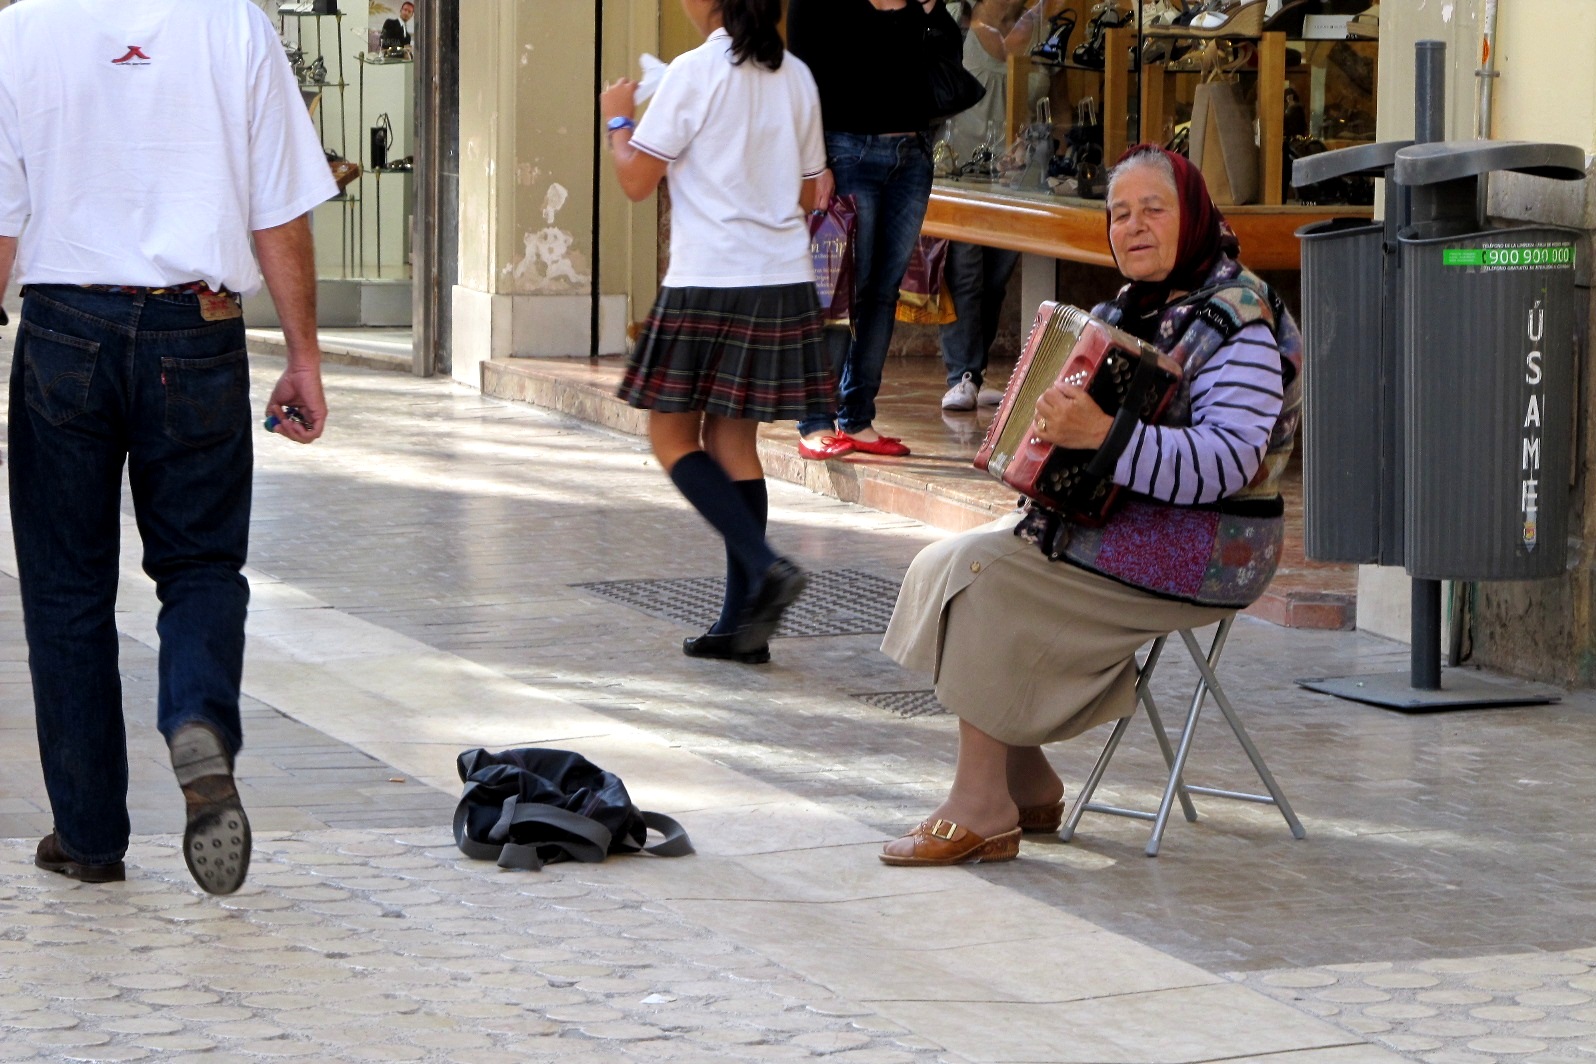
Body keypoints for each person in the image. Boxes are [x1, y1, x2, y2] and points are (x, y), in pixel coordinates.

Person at [877, 144, 1302, 865]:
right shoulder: (1126, 310)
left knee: (988, 577)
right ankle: (1027, 777)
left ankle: (982, 805)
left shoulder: (1241, 320)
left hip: (1215, 546)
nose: (1132, 227)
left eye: (1153, 210)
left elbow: (1229, 463)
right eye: (1119, 214)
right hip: (1138, 521)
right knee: (950, 560)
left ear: (1192, 214)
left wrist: (1106, 435)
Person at [0, 0, 337, 893]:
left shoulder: (21, 30)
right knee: (200, 566)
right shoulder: (237, 26)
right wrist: (304, 356)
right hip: (200, 324)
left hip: (66, 324)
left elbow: (1, 216)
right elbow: (280, 212)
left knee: (67, 589)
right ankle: (197, 720)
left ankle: (89, 836)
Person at [600, 0, 830, 664]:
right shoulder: (797, 76)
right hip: (781, 280)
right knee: (733, 443)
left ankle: (765, 565)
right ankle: (740, 630)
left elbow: (637, 181)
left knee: (670, 436)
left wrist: (619, 118)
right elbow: (816, 192)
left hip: (709, 278)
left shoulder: (692, 72)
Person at [787, 0, 961, 461]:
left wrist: (924, 12)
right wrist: (815, 163)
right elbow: (803, 82)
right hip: (846, 152)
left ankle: (858, 417)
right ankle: (816, 421)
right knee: (841, 291)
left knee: (883, 292)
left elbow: (945, 55)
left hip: (912, 154)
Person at [938, 0, 1061, 412]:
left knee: (995, 279)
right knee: (964, 275)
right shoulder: (954, 22)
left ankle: (975, 371)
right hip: (958, 171)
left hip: (1015, 176)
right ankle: (962, 374)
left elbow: (1047, 105)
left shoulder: (1036, 28)